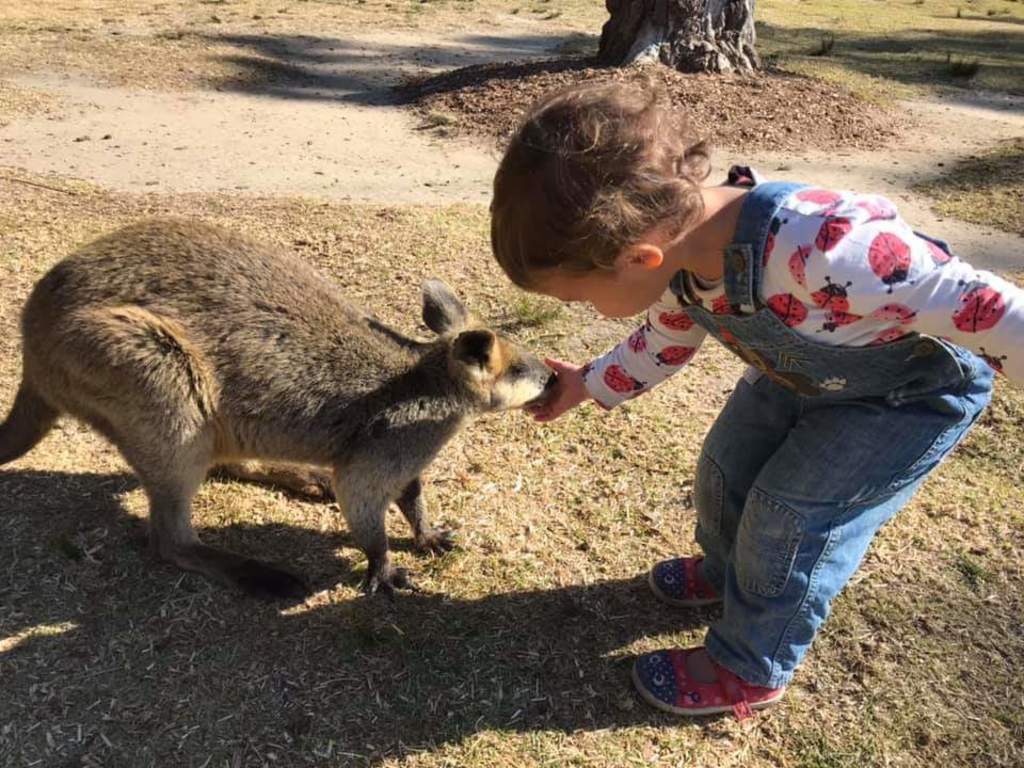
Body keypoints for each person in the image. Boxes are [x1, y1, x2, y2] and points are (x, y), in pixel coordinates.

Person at [488, 78, 1022, 718]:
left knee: (788, 519)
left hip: (908, 395)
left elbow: (988, 308)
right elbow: (666, 337)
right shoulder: (679, 261)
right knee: (725, 468)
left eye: (579, 296)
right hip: (803, 377)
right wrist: (587, 383)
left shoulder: (830, 245)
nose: (587, 308)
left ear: (637, 256)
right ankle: (728, 574)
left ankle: (750, 665)